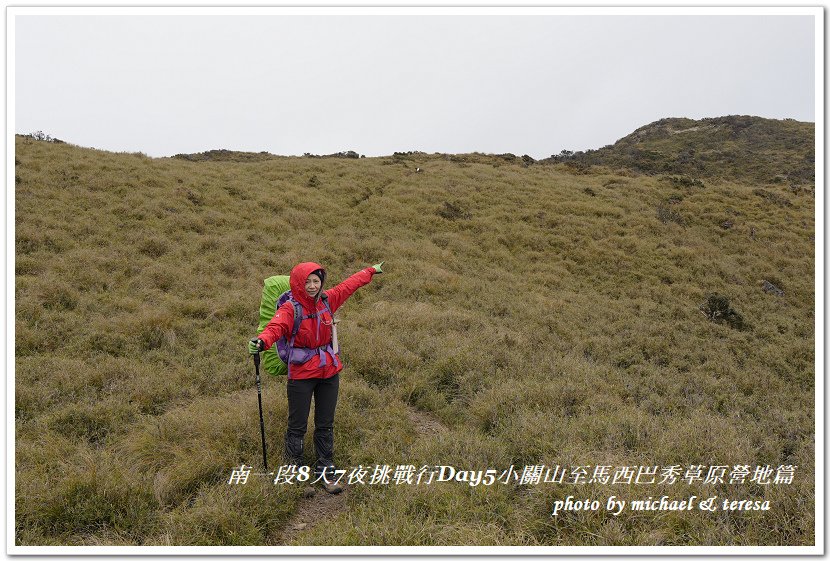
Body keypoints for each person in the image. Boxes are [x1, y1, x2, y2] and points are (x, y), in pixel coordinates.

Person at [248, 261, 383, 493]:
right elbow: (276, 326)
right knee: (297, 426)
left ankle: (326, 472)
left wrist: (370, 271)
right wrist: (262, 341)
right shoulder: (291, 308)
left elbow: (349, 285)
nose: (312, 286)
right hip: (301, 375)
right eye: (307, 281)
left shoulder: (327, 301)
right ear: (298, 283)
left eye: (316, 281)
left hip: (329, 372)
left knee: (325, 425)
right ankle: (296, 475)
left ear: (322, 282)